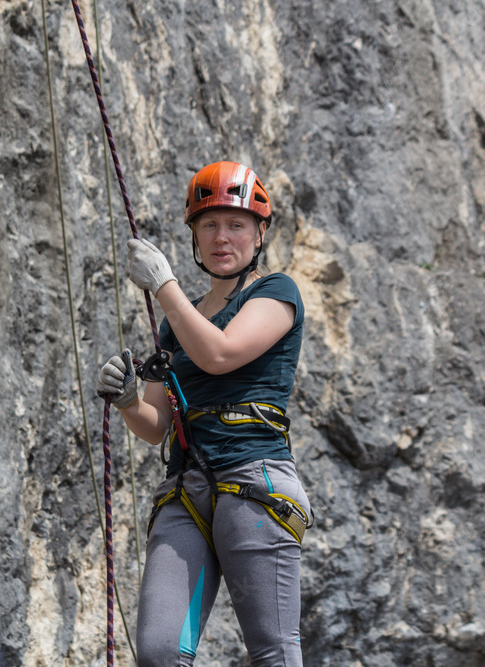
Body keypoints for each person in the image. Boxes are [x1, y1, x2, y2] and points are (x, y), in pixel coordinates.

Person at [96, 162, 312, 666]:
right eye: (209, 224)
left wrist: (164, 286)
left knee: (273, 651)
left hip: (255, 481)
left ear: (260, 234)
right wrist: (129, 400)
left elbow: (220, 353)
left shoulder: (276, 293)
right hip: (187, 490)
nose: (222, 237)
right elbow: (155, 427)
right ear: (194, 233)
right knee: (158, 652)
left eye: (236, 224)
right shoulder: (176, 326)